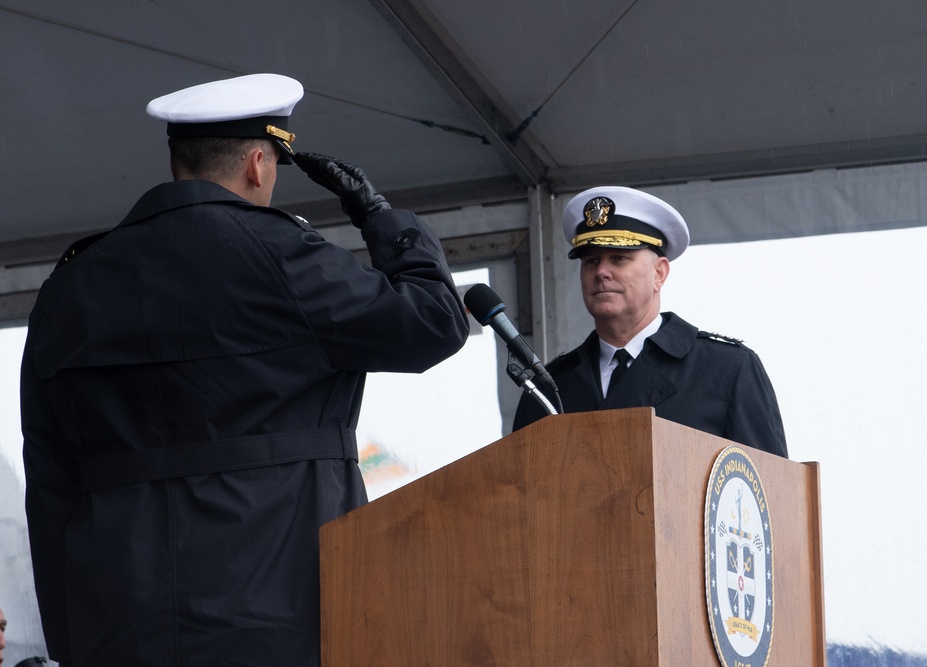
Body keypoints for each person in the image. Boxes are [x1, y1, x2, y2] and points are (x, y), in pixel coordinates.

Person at [21, 73, 469, 665]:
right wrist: (379, 216)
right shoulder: (281, 256)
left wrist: (74, 640)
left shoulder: (68, 286)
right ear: (258, 164)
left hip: (117, 623)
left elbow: (49, 479)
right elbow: (435, 322)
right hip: (276, 617)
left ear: (178, 159)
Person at [512, 186, 787, 458]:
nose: (601, 272)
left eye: (619, 258)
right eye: (591, 261)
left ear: (659, 274)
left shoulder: (726, 369)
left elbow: (766, 491)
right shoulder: (548, 388)